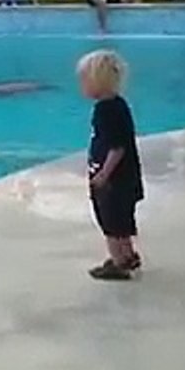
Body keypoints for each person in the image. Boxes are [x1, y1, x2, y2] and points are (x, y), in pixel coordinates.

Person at [78, 50, 144, 281]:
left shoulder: (105, 110)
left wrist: (104, 174)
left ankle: (118, 264)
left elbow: (116, 147)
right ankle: (128, 255)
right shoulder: (119, 105)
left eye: (84, 80)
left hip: (113, 181)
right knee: (124, 219)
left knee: (111, 222)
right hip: (127, 177)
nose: (82, 86)